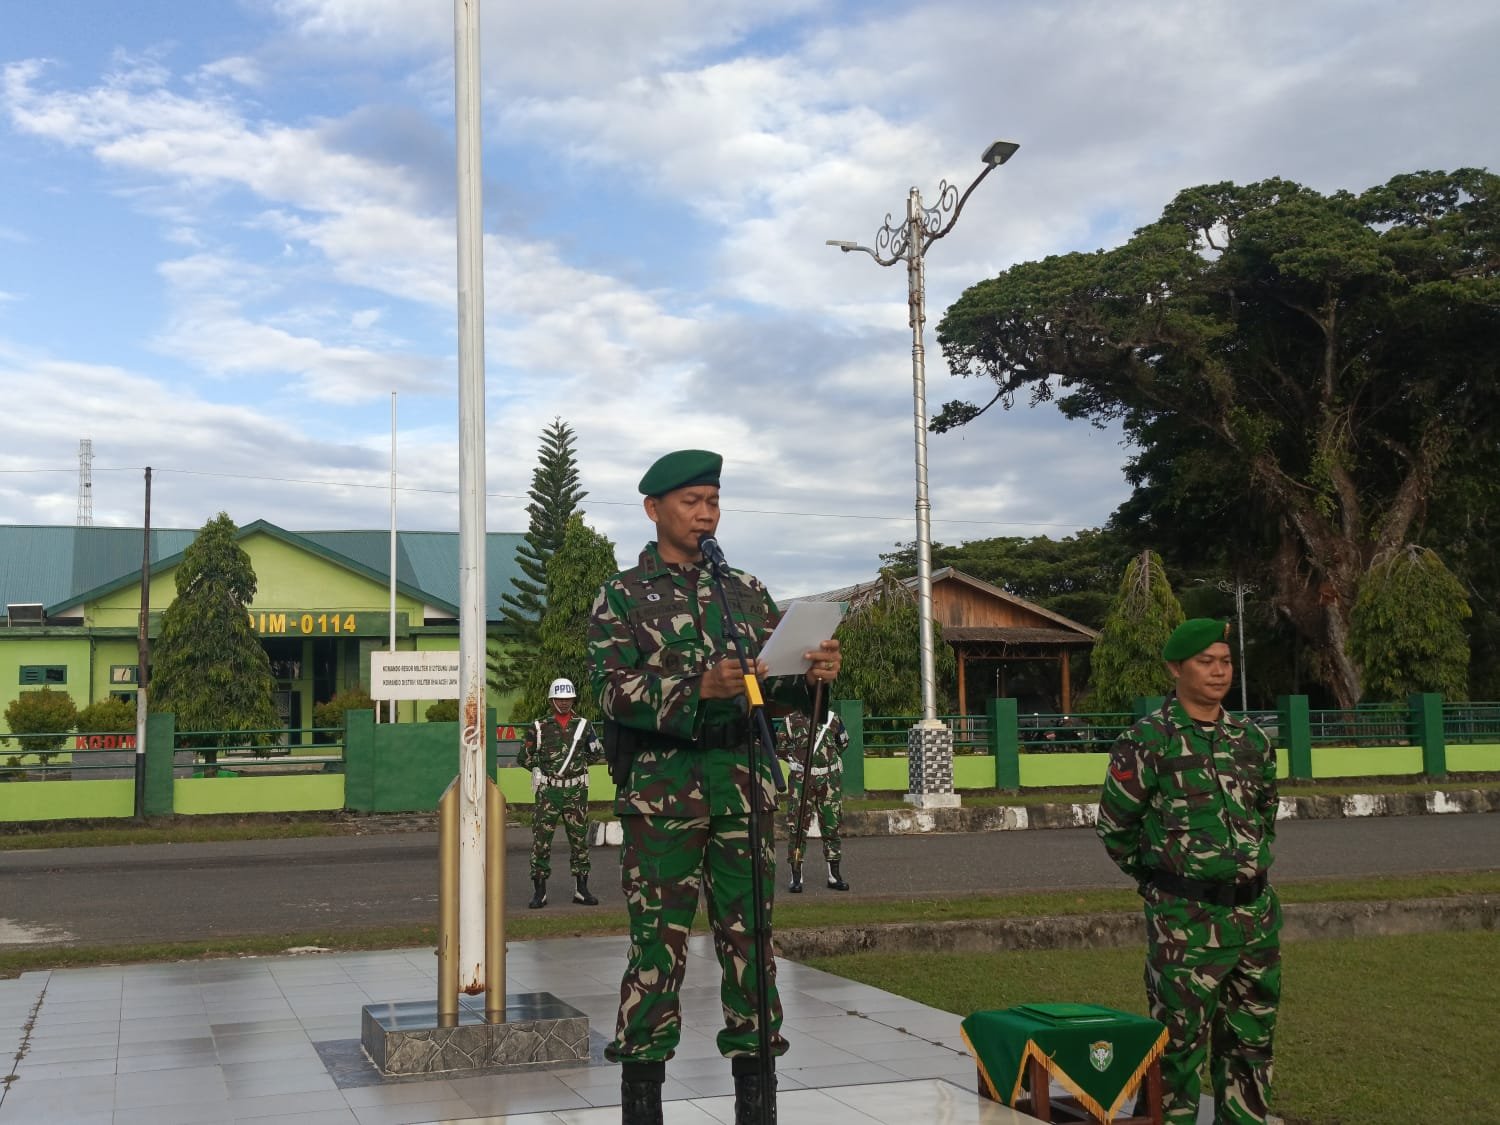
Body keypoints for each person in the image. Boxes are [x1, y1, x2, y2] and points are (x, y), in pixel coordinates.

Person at [588, 448, 841, 1125]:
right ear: (654, 509)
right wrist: (697, 686)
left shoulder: (745, 591)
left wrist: (813, 676)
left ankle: (757, 1103)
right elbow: (611, 691)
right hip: (663, 797)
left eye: (714, 501)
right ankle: (643, 1098)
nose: (706, 514)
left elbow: (774, 689)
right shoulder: (622, 595)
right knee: (656, 949)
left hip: (743, 791)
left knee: (752, 945)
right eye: (691, 501)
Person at [1095, 619, 1281, 1125]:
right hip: (1185, 921)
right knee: (1175, 1050)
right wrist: (1162, 884)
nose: (1219, 672)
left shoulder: (1251, 739)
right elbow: (1116, 828)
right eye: (1206, 662)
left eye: (1225, 661)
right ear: (1175, 669)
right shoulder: (1147, 741)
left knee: (1251, 1046)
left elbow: (1265, 815)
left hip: (1255, 919)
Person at [516, 677, 603, 909]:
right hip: (548, 792)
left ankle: (582, 890)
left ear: (574, 699)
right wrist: (541, 767)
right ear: (551, 700)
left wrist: (577, 766)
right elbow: (523, 757)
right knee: (541, 842)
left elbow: (596, 752)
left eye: (568, 698)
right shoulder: (539, 726)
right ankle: (540, 892)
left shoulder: (584, 725)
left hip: (576, 791)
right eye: (559, 699)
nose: (564, 703)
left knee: (579, 841)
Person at [776, 708, 851, 893]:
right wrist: (797, 760)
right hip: (801, 780)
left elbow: (843, 742)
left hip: (829, 780)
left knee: (832, 825)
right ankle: (796, 876)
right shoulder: (790, 721)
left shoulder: (832, 718)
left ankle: (834, 876)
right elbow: (780, 747)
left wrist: (827, 759)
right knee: (797, 828)